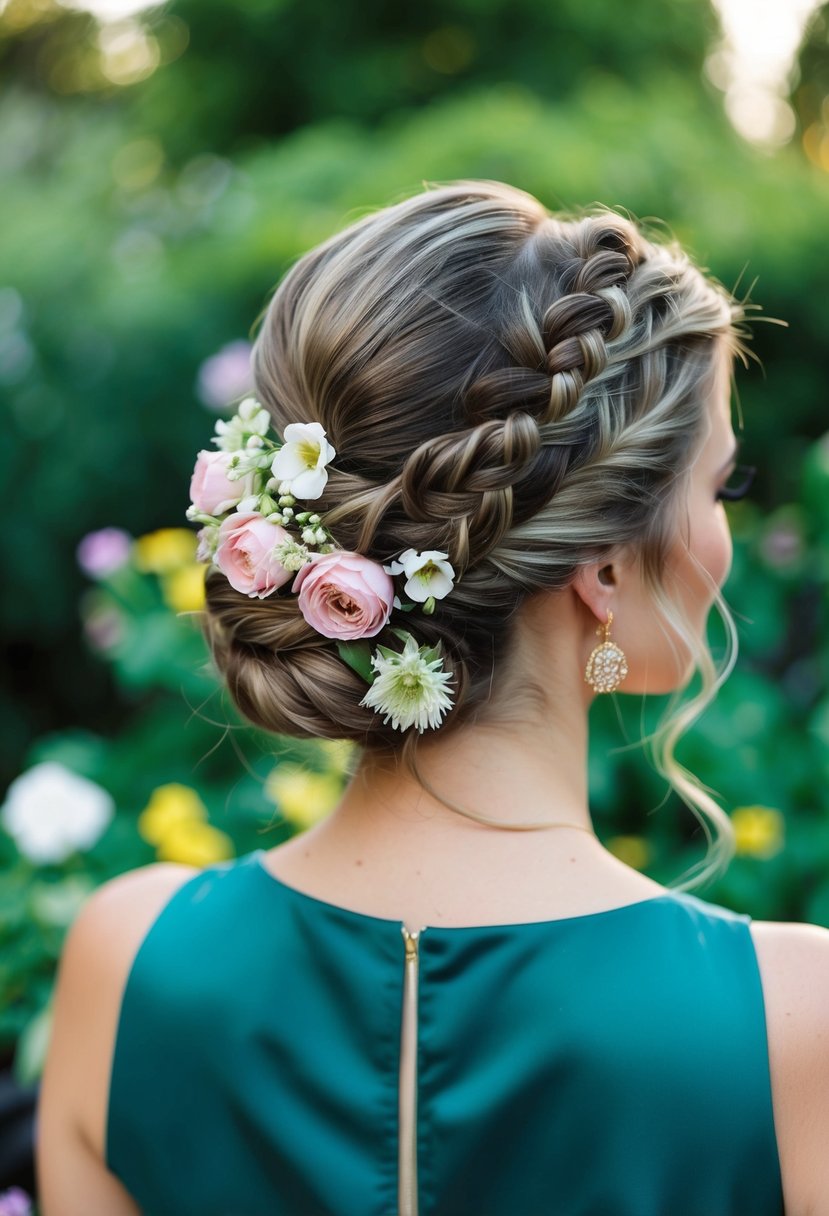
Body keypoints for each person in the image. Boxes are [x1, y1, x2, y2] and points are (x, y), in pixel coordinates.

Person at [35, 180, 829, 1216]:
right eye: (716, 487)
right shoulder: (792, 1021)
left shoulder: (128, 960)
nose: (724, 534)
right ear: (601, 566)